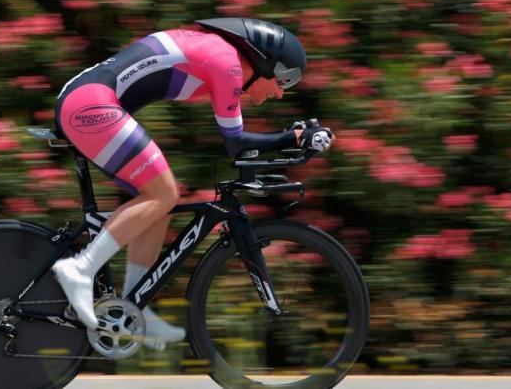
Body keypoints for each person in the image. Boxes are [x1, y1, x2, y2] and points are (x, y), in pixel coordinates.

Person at [51, 18, 333, 350]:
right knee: (164, 192)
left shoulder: (218, 54)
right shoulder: (226, 63)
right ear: (262, 61)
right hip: (90, 104)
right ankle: (81, 268)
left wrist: (289, 138)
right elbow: (236, 143)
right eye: (283, 79)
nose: (280, 91)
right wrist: (294, 137)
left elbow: (236, 142)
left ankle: (131, 308)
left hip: (87, 99)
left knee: (160, 205)